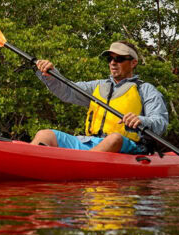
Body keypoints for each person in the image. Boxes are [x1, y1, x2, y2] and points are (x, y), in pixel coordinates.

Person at [31, 41, 169, 154]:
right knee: (45, 134)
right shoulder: (97, 86)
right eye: (110, 59)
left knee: (114, 138)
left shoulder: (146, 90)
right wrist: (50, 73)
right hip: (90, 142)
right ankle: (28, 164)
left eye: (119, 59)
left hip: (127, 145)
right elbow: (67, 91)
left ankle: (77, 168)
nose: (113, 63)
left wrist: (140, 120)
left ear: (133, 63)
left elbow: (161, 123)